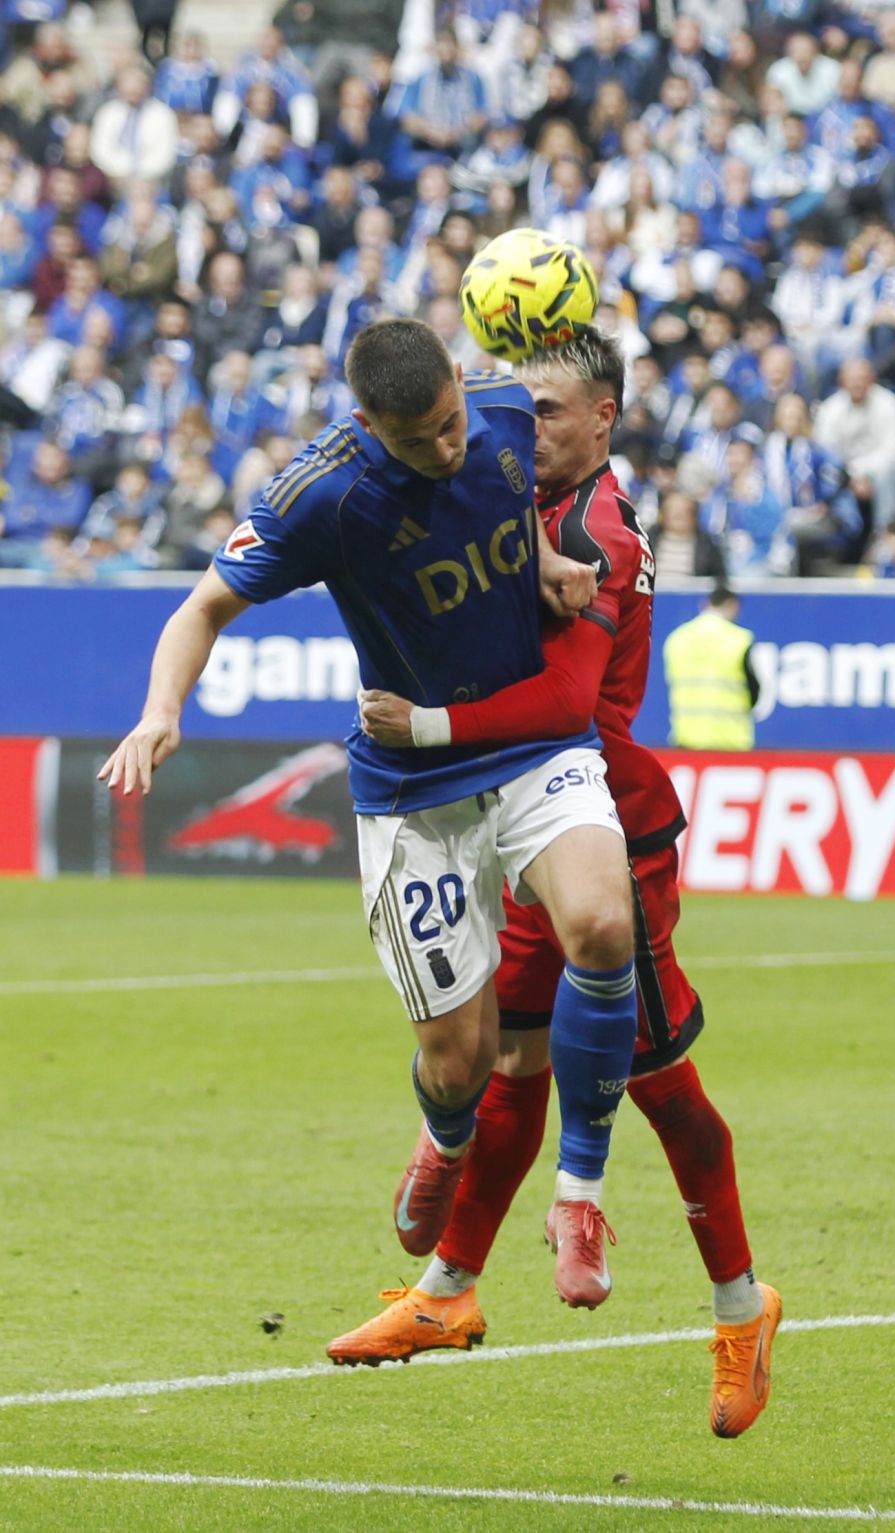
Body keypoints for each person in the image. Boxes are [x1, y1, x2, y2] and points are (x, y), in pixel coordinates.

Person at [97, 319, 645, 1319]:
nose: (448, 449)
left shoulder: (501, 410)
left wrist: (542, 570)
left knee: (606, 925)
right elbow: (200, 609)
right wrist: (159, 712)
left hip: (527, 748)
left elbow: (505, 506)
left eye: (451, 425)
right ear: (370, 425)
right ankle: (443, 1140)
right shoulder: (318, 495)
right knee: (461, 1058)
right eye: (422, 440)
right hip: (412, 784)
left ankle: (579, 1199)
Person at [330, 329, 779, 1436]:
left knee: (661, 1082)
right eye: (517, 409)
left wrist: (428, 723)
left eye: (550, 413)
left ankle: (740, 1308)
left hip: (609, 829)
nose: (525, 431)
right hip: (525, 820)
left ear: (605, 419)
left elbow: (568, 711)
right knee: (513, 1066)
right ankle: (447, 1294)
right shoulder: (511, 496)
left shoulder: (602, 533)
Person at [663, 585, 759, 749]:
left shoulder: (677, 638)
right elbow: (755, 689)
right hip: (731, 740)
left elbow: (673, 683)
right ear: (732, 605)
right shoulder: (739, 639)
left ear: (704, 604)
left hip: (686, 738)